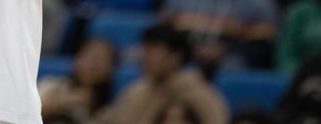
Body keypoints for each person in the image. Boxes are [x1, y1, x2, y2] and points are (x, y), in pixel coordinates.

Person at [93, 24, 227, 124]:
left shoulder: (202, 96)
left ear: (175, 56)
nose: (144, 56)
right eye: (144, 49)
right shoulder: (136, 90)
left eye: (152, 50)